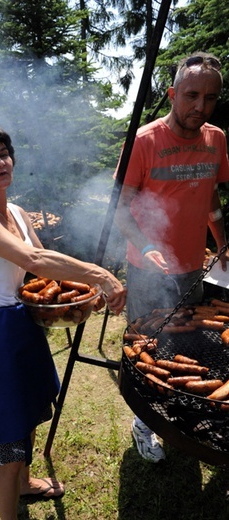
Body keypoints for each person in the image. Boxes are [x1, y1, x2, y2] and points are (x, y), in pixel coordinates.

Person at [0, 124, 126, 519]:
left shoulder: (15, 210)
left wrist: (80, 298)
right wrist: (98, 274)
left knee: (29, 412)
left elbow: (45, 274)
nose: (0, 163)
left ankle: (27, 485)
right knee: (7, 435)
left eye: (3, 154)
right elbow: (30, 260)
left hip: (23, 322)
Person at [114, 52, 229, 463]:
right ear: (172, 94)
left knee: (188, 350)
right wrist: (146, 245)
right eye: (192, 95)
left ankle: (182, 420)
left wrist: (222, 240)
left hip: (192, 269)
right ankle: (145, 422)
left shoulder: (216, 139)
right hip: (148, 272)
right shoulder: (144, 142)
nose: (201, 106)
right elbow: (120, 208)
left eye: (210, 98)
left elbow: (211, 195)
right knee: (149, 352)